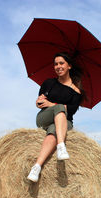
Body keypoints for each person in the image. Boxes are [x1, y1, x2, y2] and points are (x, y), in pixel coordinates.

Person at [27, 52, 83, 182]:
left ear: (69, 66)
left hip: (65, 122)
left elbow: (72, 110)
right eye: (56, 64)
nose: (58, 66)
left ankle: (36, 167)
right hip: (44, 118)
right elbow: (41, 102)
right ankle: (61, 146)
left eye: (61, 63)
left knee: (53, 131)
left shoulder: (76, 92)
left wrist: (51, 104)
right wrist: (39, 102)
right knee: (60, 107)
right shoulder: (48, 83)